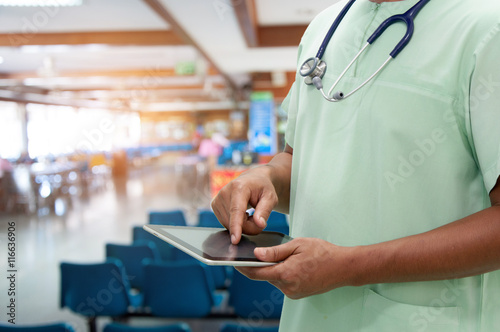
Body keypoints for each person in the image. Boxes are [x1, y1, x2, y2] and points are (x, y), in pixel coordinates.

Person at [211, 0, 500, 331]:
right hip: (309, 318)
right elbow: (301, 160)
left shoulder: (487, 29)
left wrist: (352, 265)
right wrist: (267, 178)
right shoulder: (323, 29)